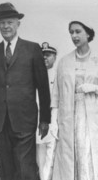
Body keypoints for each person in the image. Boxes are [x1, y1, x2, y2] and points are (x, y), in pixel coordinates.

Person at [0, 2, 51, 180]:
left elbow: (43, 88)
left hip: (25, 120)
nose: (6, 26)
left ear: (18, 24)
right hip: (0, 123)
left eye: (10, 22)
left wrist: (45, 119)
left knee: (25, 169)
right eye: (2, 23)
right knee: (7, 170)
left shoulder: (32, 49)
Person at [51, 20, 98, 180]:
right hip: (68, 117)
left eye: (78, 31)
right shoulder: (64, 62)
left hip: (91, 118)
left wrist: (95, 88)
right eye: (71, 32)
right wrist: (53, 121)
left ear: (88, 33)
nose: (74, 35)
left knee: (89, 155)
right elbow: (56, 94)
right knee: (68, 158)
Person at [36, 42, 57, 180]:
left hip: (54, 119)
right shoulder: (34, 76)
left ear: (54, 57)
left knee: (52, 159)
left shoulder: (58, 75)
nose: (45, 57)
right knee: (40, 159)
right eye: (42, 55)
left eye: (48, 55)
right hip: (38, 120)